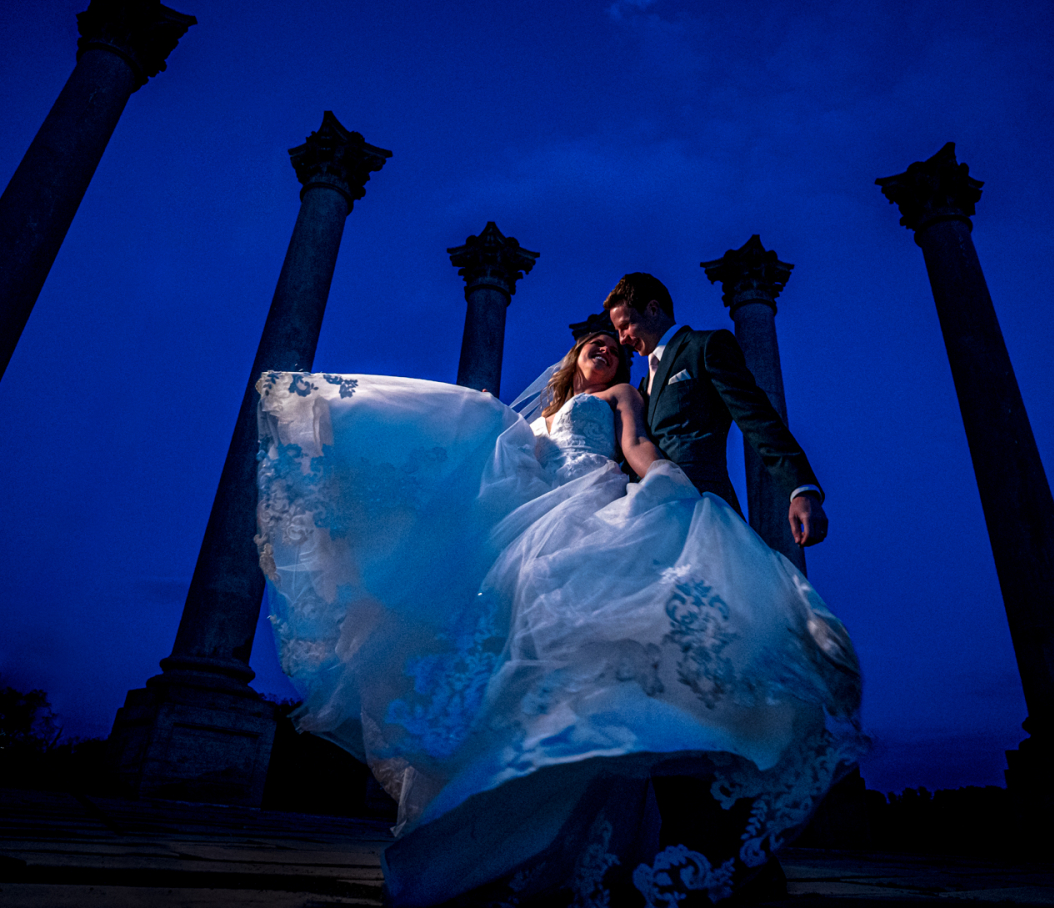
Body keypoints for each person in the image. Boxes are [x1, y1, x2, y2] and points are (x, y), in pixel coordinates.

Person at [255, 330, 862, 908]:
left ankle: (627, 811)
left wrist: (668, 484)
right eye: (592, 342)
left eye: (612, 345)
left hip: (591, 510)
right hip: (533, 527)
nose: (603, 346)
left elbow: (634, 446)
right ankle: (504, 830)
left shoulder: (618, 396)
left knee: (594, 657)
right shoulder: (536, 419)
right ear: (572, 357)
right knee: (512, 664)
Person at [606, 272, 827, 553]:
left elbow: (756, 417)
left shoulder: (706, 346)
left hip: (703, 506)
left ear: (652, 309)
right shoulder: (640, 386)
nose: (623, 339)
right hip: (645, 519)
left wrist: (801, 486)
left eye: (626, 326)